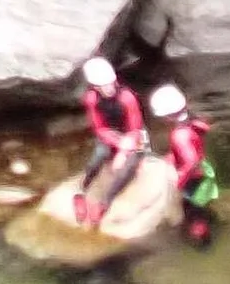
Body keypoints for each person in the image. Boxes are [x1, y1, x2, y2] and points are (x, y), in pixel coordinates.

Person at [75, 54, 147, 229]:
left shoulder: (127, 97)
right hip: (111, 134)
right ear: (95, 86)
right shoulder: (91, 98)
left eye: (110, 83)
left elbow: (136, 129)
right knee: (99, 155)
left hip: (134, 134)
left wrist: (123, 153)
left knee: (125, 168)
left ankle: (104, 203)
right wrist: (116, 143)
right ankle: (82, 187)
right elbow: (99, 128)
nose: (108, 88)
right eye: (103, 85)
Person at [153, 82, 217, 249]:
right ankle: (206, 222)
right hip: (201, 173)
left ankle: (202, 242)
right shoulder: (192, 123)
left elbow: (190, 161)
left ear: (167, 116)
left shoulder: (179, 135)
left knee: (192, 210)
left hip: (193, 179)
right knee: (198, 206)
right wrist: (173, 157)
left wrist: (179, 179)